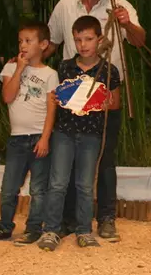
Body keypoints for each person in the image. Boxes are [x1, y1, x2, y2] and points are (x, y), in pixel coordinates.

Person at [45, 0, 146, 243]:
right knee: (68, 162)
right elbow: (51, 43)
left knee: (105, 159)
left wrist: (127, 24)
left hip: (105, 98)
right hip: (72, 101)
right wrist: (27, 60)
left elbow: (140, 42)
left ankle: (106, 218)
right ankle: (67, 222)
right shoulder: (65, 6)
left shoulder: (121, 5)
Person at [38, 15, 121, 251]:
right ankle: (51, 230)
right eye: (78, 40)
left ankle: (84, 231)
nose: (83, 44)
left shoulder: (108, 70)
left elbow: (116, 103)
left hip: (91, 136)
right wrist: (56, 98)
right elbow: (56, 96)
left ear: (100, 40)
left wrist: (106, 101)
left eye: (88, 39)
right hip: (64, 132)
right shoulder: (64, 67)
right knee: (58, 182)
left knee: (85, 184)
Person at [0, 20, 58, 246]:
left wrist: (45, 138)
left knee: (38, 189)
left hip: (39, 138)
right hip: (17, 139)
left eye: (28, 41)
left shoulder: (50, 74)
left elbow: (51, 109)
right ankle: (4, 227)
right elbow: (8, 97)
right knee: (9, 188)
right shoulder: (11, 67)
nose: (23, 45)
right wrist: (19, 68)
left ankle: (33, 229)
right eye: (20, 41)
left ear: (43, 44)